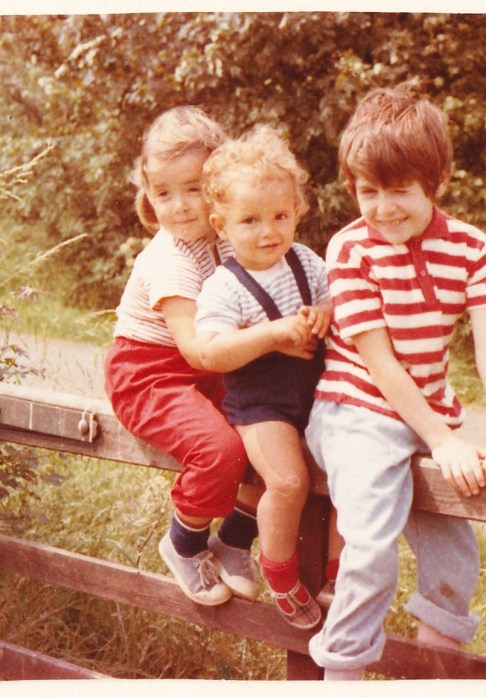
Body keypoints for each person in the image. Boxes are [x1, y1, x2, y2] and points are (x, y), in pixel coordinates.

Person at [304, 80, 486, 680]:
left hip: (428, 418)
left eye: (400, 190)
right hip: (356, 412)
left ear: (439, 181)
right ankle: (342, 674)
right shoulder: (350, 249)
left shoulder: (473, 249)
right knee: (371, 549)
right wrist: (443, 440)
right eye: (368, 192)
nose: (384, 208)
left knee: (455, 557)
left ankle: (432, 671)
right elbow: (378, 363)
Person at [104, 106, 262, 608]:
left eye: (193, 188)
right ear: (148, 195)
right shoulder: (170, 257)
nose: (179, 206)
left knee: (273, 429)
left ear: (219, 184)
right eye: (163, 192)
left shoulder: (226, 239)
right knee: (221, 448)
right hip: (150, 372)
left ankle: (235, 539)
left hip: (209, 366)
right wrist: (273, 337)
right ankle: (184, 541)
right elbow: (197, 346)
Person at [194, 125, 335, 629]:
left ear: (298, 210)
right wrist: (272, 334)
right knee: (290, 479)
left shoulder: (307, 262)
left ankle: (340, 573)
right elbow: (211, 352)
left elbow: (339, 300)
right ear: (222, 225)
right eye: (249, 220)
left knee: (343, 476)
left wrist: (324, 311)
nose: (268, 231)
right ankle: (278, 570)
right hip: (261, 407)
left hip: (316, 399)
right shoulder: (224, 286)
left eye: (280, 215)